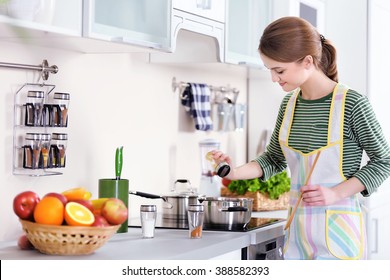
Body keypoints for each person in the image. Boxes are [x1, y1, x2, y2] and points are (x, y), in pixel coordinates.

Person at [210, 16, 390, 260]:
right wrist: (232, 172)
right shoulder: (290, 104)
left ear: (307, 61)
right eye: (270, 70)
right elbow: (274, 159)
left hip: (339, 237)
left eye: (279, 70)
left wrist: (336, 193)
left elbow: (384, 161)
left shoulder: (352, 104)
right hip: (297, 238)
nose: (274, 78)